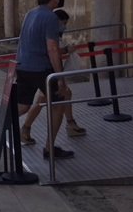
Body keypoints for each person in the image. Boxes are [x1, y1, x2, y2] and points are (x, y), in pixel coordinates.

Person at [13, 0, 74, 159]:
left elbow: (23, 41)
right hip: (41, 69)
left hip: (23, 66)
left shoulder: (30, 14)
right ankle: (50, 148)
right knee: (58, 105)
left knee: (22, 106)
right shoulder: (50, 18)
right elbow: (52, 49)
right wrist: (60, 77)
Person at [21, 9, 86, 140]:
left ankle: (70, 124)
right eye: (63, 23)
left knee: (63, 94)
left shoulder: (40, 24)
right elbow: (51, 50)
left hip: (43, 71)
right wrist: (66, 52)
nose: (64, 26)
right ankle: (31, 133)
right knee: (45, 102)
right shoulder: (49, 29)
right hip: (46, 71)